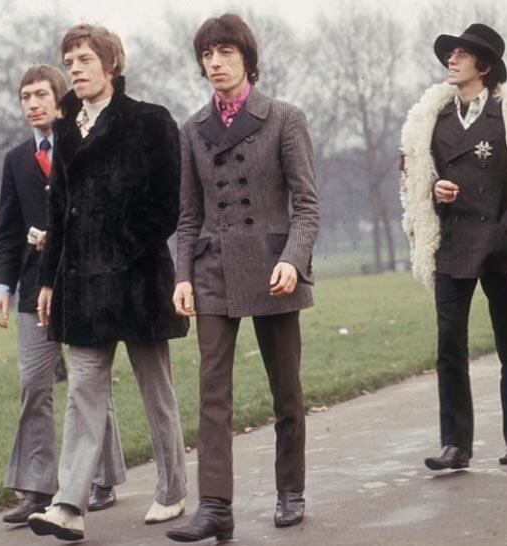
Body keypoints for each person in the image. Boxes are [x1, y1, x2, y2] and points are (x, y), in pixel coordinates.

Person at [27, 24, 189, 541]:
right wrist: (50, 279)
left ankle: (172, 489)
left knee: (155, 392)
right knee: (82, 394)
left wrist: (120, 247)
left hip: (137, 282)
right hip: (81, 288)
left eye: (84, 58)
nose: (74, 67)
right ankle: (69, 505)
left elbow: (168, 205)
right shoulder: (66, 130)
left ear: (111, 63)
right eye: (69, 60)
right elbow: (59, 210)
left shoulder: (150, 121)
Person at [165, 13, 320, 543]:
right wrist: (182, 275)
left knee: (286, 391)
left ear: (246, 59)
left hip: (275, 267)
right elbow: (188, 214)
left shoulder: (284, 118)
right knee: (212, 392)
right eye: (207, 54)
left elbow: (307, 203)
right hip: (212, 270)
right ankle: (214, 506)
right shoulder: (191, 130)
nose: (215, 63)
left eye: (225, 52)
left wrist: (293, 260)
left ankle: (290, 489)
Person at [399, 23, 507, 472]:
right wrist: (437, 190)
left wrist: (504, 231)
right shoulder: (432, 118)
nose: (450, 61)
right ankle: (456, 444)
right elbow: (419, 176)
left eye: (461, 54)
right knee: (448, 344)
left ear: (485, 66)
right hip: (452, 246)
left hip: (499, 243)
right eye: (449, 54)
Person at [0, 64, 126, 524]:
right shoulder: (14, 161)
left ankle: (100, 479)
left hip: (83, 280)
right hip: (33, 290)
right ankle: (37, 486)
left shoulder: (82, 144)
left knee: (90, 383)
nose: (32, 104)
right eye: (25, 96)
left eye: (41, 94)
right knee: (34, 383)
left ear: (59, 97)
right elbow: (7, 230)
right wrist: (1, 287)